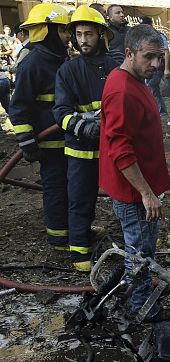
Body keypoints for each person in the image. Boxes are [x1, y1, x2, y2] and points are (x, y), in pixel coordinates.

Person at [101, 24, 170, 321]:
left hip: (142, 188)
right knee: (140, 254)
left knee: (142, 250)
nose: (155, 65)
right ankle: (142, 309)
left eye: (159, 58)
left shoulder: (133, 79)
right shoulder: (122, 89)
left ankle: (140, 297)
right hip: (134, 194)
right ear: (129, 53)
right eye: (149, 57)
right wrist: (145, 193)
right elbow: (121, 150)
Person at [52, 6, 117, 272]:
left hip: (113, 147)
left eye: (89, 34)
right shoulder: (68, 71)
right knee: (80, 199)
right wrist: (82, 127)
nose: (83, 40)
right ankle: (80, 251)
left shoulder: (115, 66)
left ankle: (134, 244)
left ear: (101, 34)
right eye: (78, 34)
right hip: (81, 150)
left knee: (125, 197)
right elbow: (60, 112)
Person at [8, 4, 71, 251]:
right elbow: (19, 107)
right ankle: (58, 238)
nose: (69, 35)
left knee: (73, 187)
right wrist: (27, 142)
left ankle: (75, 229)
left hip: (70, 139)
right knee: (56, 188)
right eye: (65, 30)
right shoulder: (33, 63)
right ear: (48, 31)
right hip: (49, 143)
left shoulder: (60, 58)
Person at [140, 16, 170, 115]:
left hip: (158, 66)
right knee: (151, 87)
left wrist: (166, 69)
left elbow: (166, 52)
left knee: (152, 86)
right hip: (148, 65)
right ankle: (159, 109)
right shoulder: (145, 36)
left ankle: (160, 109)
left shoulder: (159, 36)